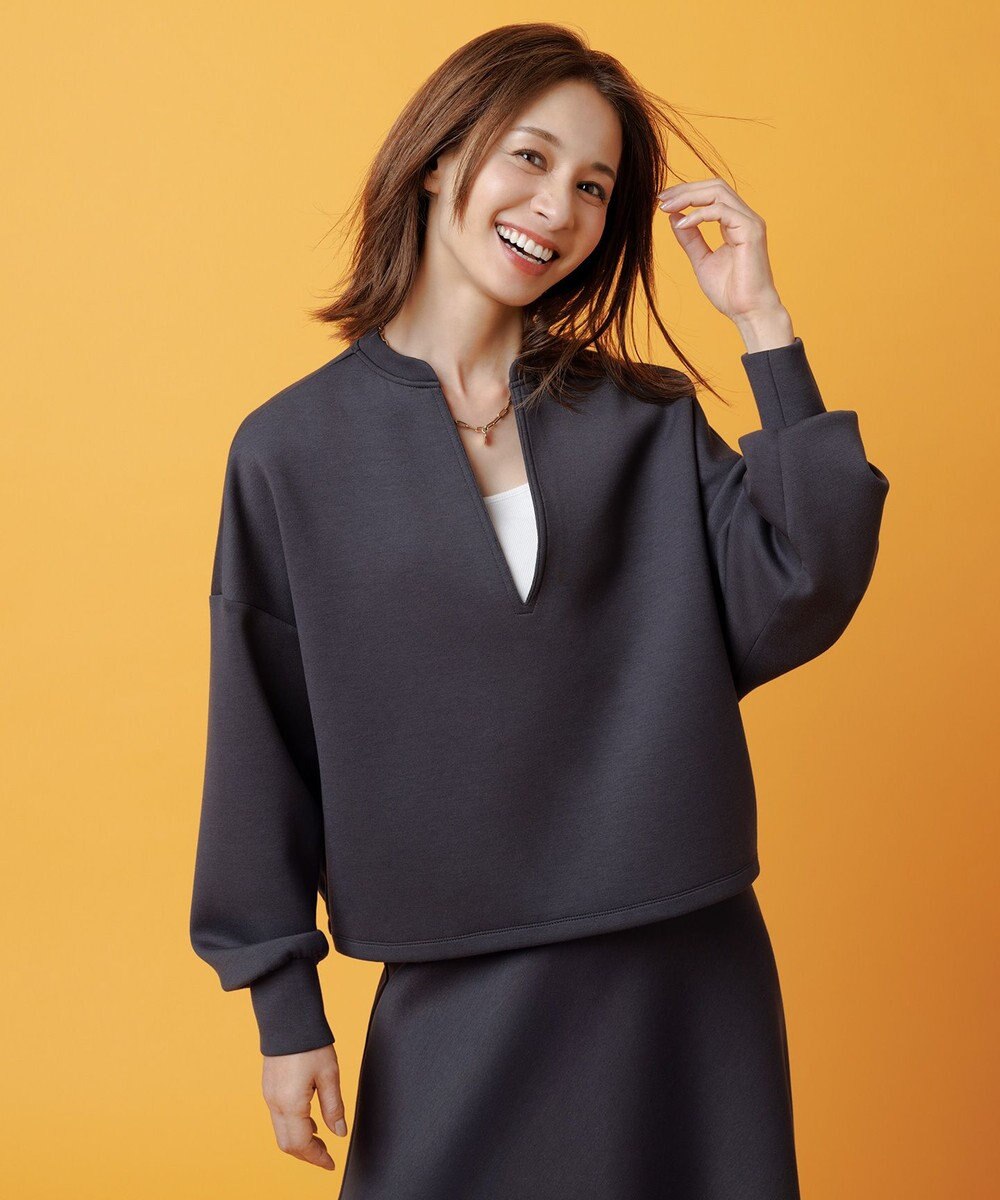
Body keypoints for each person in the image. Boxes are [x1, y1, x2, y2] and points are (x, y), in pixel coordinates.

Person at [189, 22, 889, 1199]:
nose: (557, 207)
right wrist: (282, 1002)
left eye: (593, 186)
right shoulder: (290, 451)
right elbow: (261, 734)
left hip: (683, 963)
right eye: (529, 157)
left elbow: (806, 578)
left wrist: (762, 322)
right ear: (435, 158)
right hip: (458, 976)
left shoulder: (643, 419)